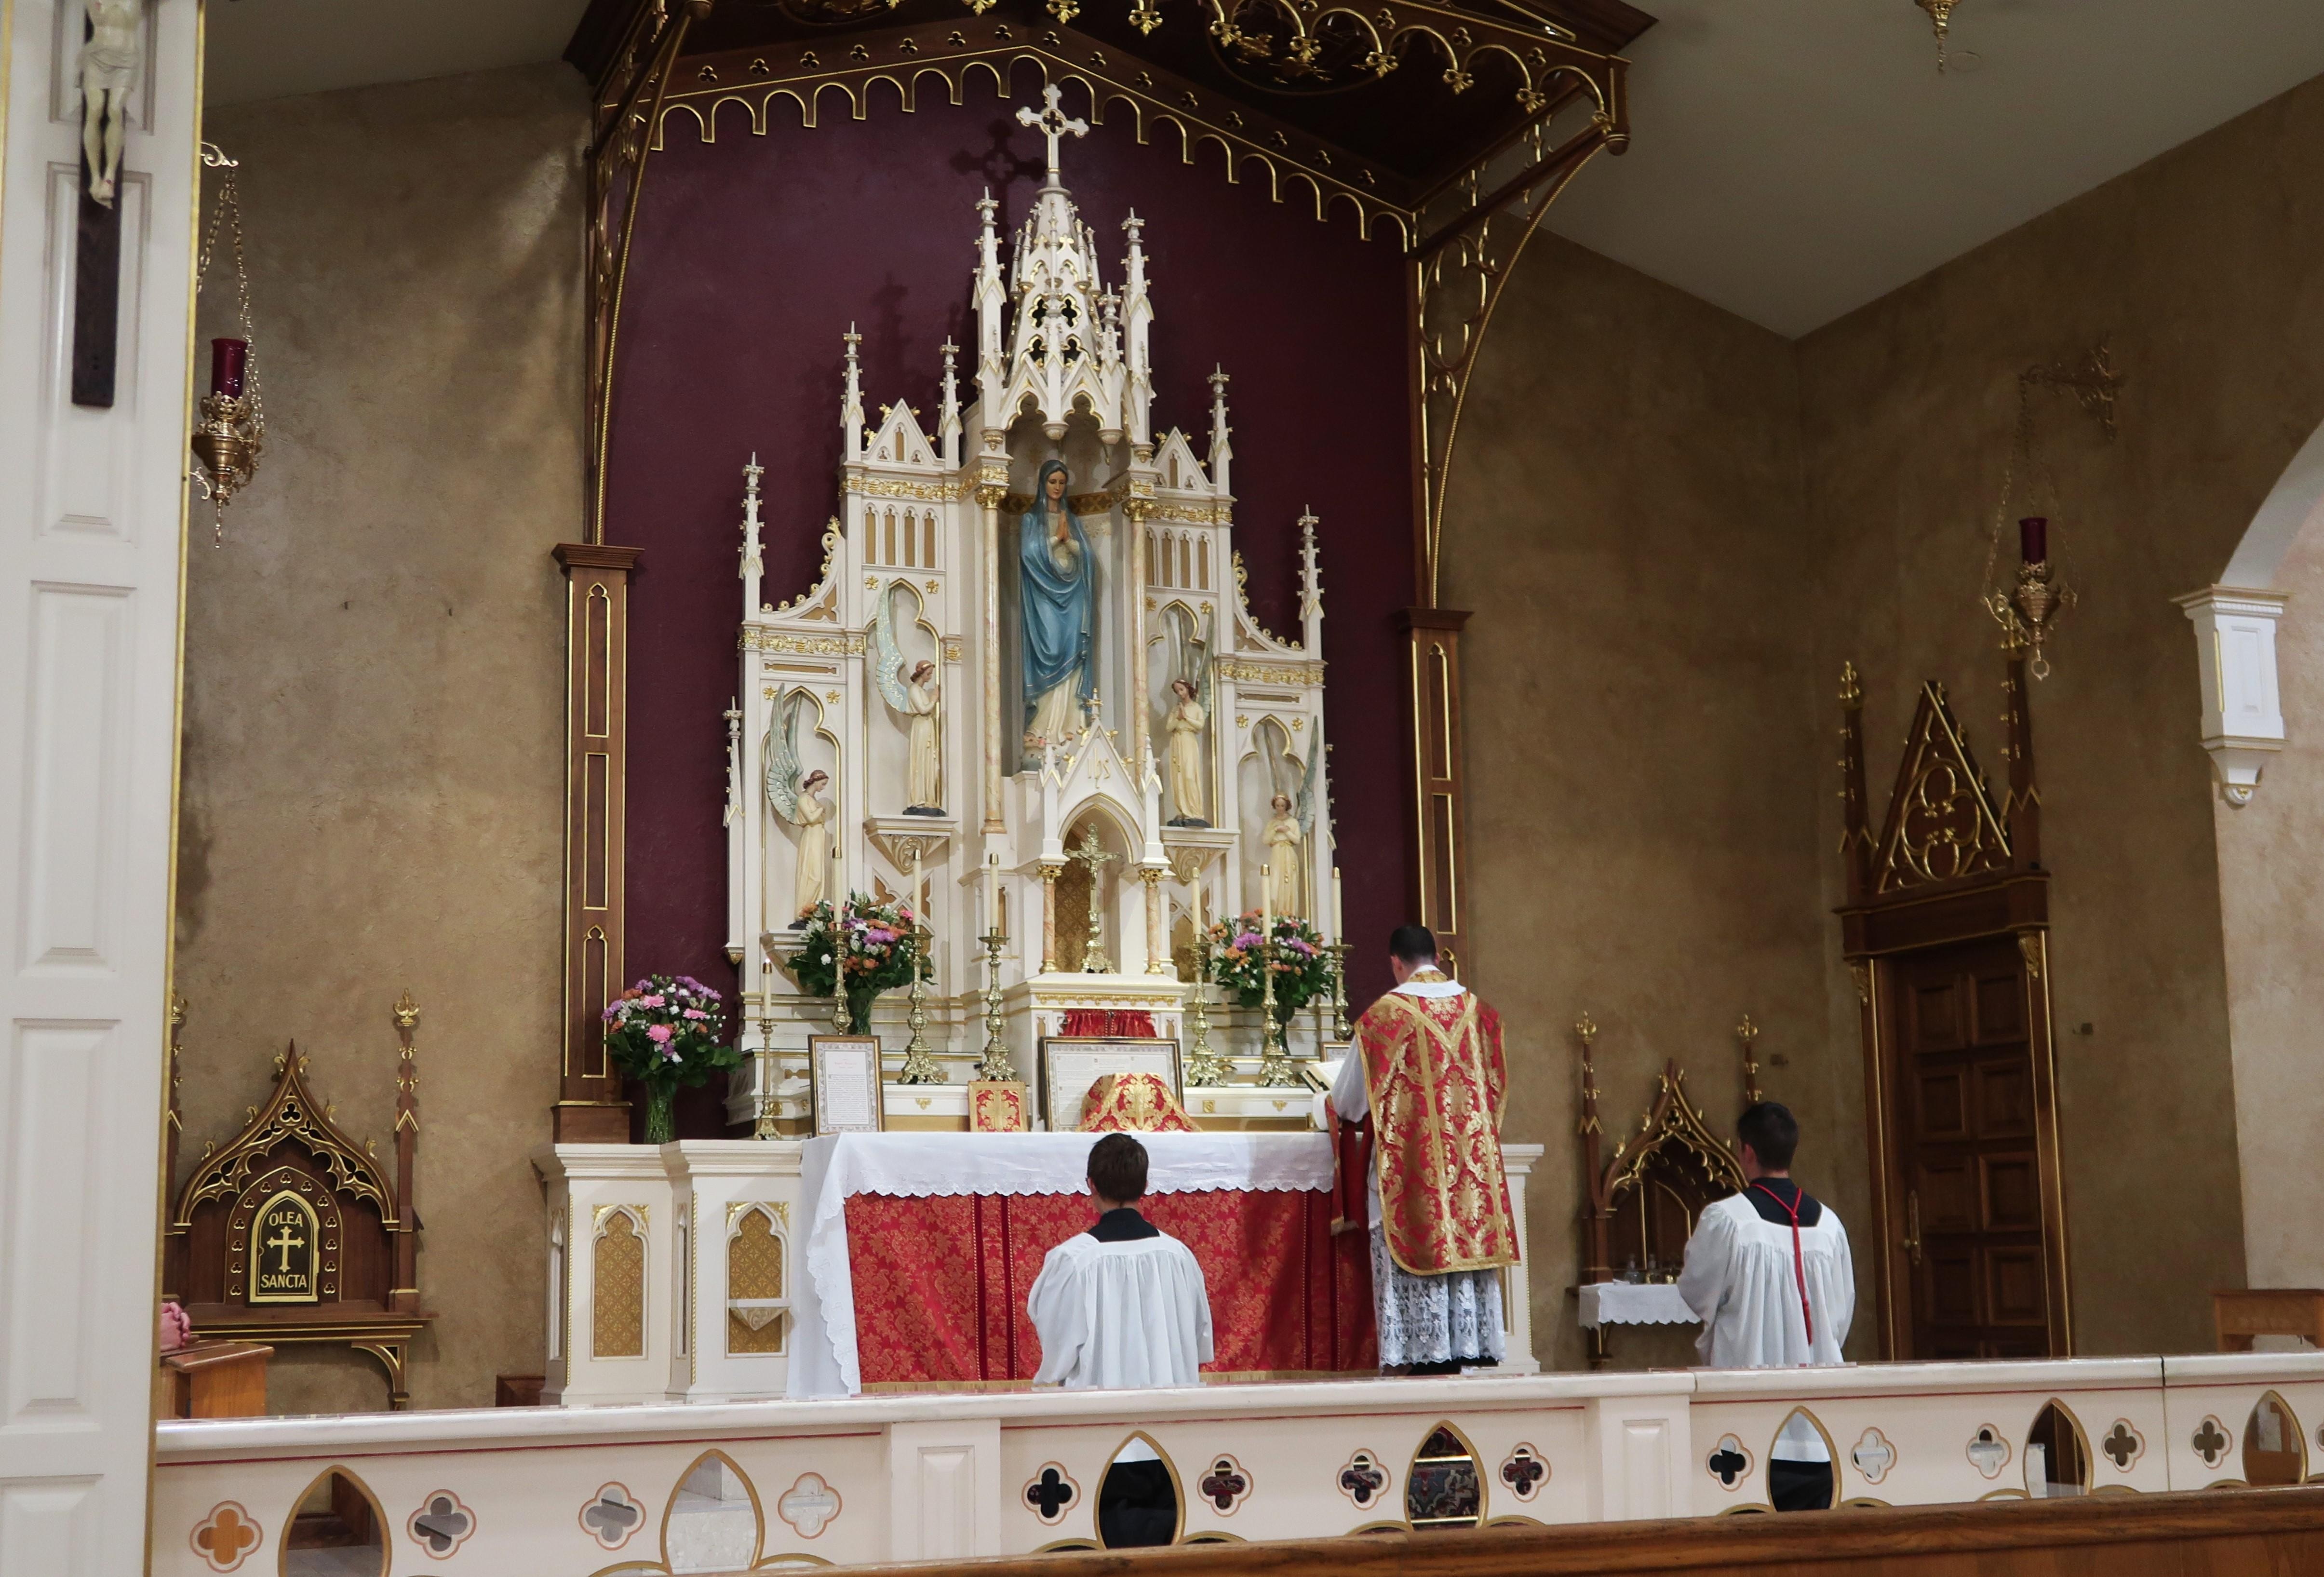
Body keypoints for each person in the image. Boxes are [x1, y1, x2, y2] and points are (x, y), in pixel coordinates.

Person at [1330, 925, 1517, 1374]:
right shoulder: (1482, 1015)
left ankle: (1418, 1365)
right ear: (1438, 956)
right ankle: (1469, 1354)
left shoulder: (1383, 1017)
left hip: (1411, 1179)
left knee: (1414, 1265)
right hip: (1471, 1183)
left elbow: (1349, 1103)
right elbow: (1495, 1090)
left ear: (1396, 962)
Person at [1028, 1133, 1213, 1547]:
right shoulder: (1180, 1256)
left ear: (1090, 1184)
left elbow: (1057, 1359)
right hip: (1175, 1440)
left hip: (1102, 1444)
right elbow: (1201, 1345)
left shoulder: (1073, 1260)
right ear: (1145, 1186)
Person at [1676, 1100, 1855, 1512]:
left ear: (1747, 1151)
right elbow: (1839, 1317)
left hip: (1745, 1419)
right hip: (1817, 1421)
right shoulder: (1829, 1225)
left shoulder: (1727, 1219)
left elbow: (1694, 1289)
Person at [1019, 459, 1095, 753]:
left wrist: (1071, 542)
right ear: (1043, 483)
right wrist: (1054, 539)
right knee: (1050, 648)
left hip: (1074, 592)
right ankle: (1042, 727)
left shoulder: (1071, 518)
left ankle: (1071, 726)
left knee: (1074, 651)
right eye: (1053, 482)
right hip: (1043, 596)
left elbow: (1087, 555)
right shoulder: (1031, 520)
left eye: (1062, 483)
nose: (1058, 488)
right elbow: (1028, 553)